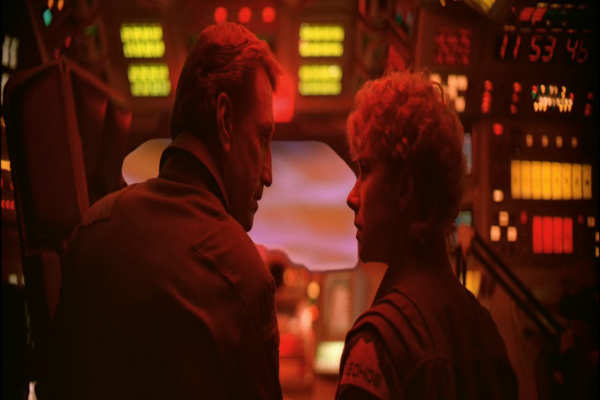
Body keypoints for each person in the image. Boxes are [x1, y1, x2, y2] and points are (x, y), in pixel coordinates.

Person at [45, 23, 282, 399]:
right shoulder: (241, 274)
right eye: (262, 139)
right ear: (225, 120)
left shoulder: (90, 231)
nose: (267, 174)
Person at [336, 71, 518, 399]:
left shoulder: (378, 344)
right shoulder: (486, 333)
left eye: (366, 170)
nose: (352, 196)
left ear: (405, 188)